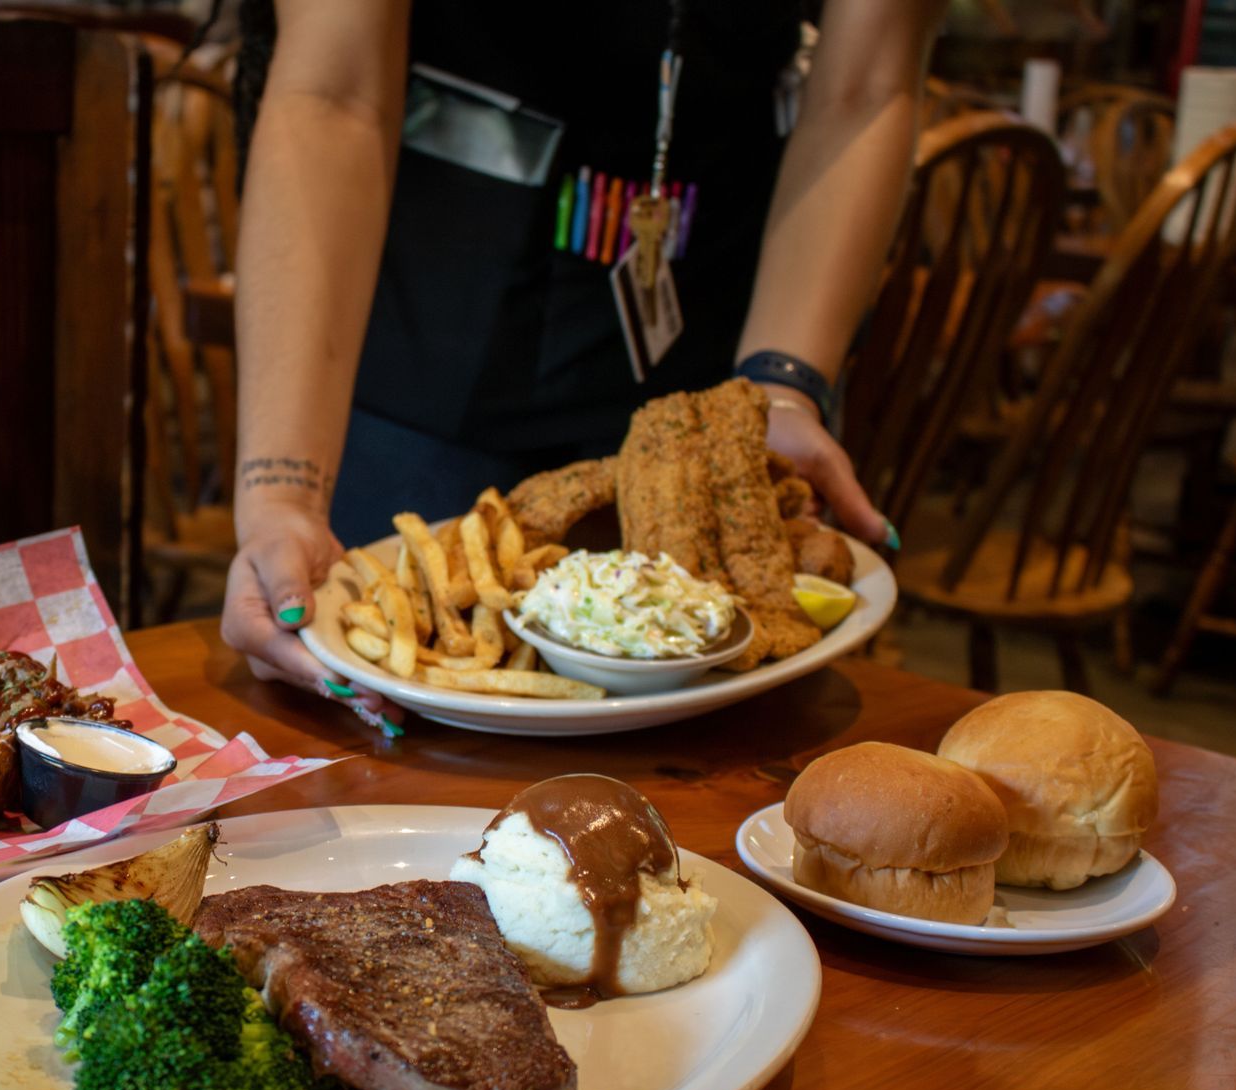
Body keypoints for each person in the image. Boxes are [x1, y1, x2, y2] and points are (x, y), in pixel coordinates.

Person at [221, 0, 947, 720]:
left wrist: (783, 386)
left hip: (725, 325)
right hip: (424, 330)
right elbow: (333, 93)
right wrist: (281, 497)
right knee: (391, 734)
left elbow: (865, 89)